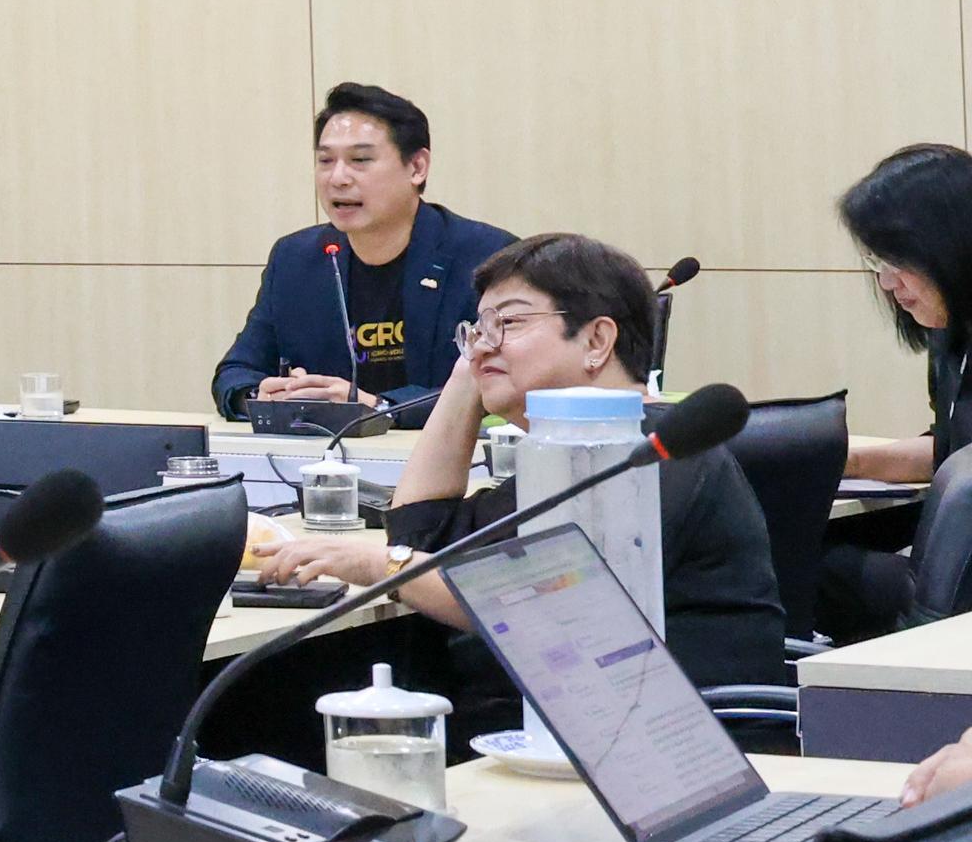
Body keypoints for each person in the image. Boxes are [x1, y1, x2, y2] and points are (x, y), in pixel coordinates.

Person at [252, 232, 783, 695]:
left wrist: (378, 566)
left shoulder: (649, 452)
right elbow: (422, 536)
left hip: (670, 741)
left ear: (597, 340)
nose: (484, 346)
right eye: (478, 329)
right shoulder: (571, 449)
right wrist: (469, 376)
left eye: (509, 322)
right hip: (566, 721)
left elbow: (530, 604)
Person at [211, 83, 512, 422]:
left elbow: (501, 384)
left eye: (360, 160)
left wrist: (379, 407)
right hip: (324, 454)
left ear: (417, 167)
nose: (338, 178)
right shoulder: (295, 260)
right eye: (326, 161)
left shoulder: (488, 258)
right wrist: (261, 397)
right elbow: (234, 373)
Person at [814, 143, 972, 639]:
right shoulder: (951, 335)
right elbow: (953, 450)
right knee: (806, 544)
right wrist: (851, 460)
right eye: (876, 262)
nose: (886, 282)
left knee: (807, 570)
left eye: (896, 261)